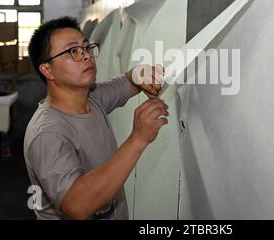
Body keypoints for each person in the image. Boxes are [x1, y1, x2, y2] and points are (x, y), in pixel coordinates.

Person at [24, 16, 168, 220]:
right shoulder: (47, 133)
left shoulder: (92, 98)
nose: (86, 56)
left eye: (86, 47)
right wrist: (138, 138)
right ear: (47, 69)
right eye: (72, 51)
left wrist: (139, 74)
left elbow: (128, 82)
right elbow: (77, 205)